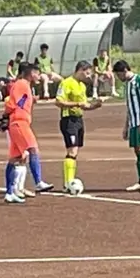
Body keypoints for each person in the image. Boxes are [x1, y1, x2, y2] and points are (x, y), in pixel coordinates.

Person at [2, 63, 52, 203]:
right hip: (20, 122)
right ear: (30, 73)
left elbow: (20, 102)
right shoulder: (22, 84)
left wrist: (30, 100)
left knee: (14, 159)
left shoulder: (24, 86)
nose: (38, 76)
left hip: (17, 122)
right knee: (33, 149)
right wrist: (6, 114)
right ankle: (38, 182)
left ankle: (9, 193)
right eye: (37, 73)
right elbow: (12, 103)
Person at [54, 61, 102, 191]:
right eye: (87, 73)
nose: (88, 76)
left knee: (75, 151)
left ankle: (69, 181)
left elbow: (84, 105)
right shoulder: (66, 83)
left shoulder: (82, 86)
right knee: (72, 150)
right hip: (68, 119)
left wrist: (95, 106)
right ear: (80, 70)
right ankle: (68, 182)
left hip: (79, 120)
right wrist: (76, 104)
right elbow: (58, 101)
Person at [113, 60, 140, 193]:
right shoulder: (127, 85)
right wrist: (126, 126)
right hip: (133, 122)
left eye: (119, 74)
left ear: (125, 70)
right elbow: (130, 107)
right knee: (137, 151)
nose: (118, 78)